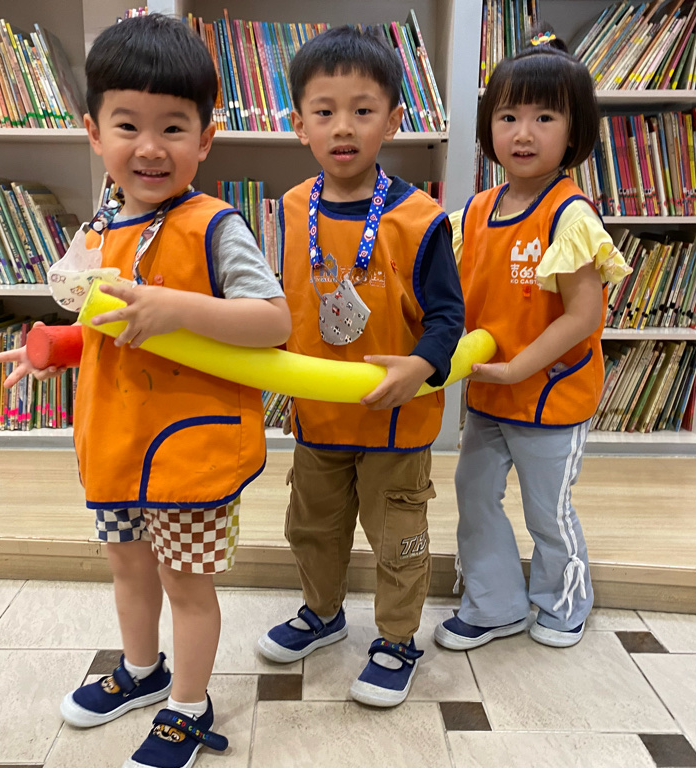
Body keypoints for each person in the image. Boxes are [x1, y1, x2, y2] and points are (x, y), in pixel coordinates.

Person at [0, 15, 290, 768]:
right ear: (94, 132)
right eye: (128, 125)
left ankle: (189, 706)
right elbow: (102, 327)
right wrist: (55, 349)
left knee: (185, 584)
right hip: (116, 444)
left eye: (173, 127)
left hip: (189, 453)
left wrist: (174, 308)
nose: (150, 147)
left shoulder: (215, 227)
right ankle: (141, 670)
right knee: (127, 566)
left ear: (205, 139)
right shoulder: (97, 230)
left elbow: (274, 321)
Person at [256, 26, 465, 708]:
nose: (342, 126)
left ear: (393, 120)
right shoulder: (291, 209)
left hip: (395, 426)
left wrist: (422, 366)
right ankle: (322, 615)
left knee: (398, 539)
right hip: (317, 419)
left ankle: (398, 641)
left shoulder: (421, 220)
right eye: (324, 111)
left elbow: (449, 319)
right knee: (311, 527)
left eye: (362, 110)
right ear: (299, 124)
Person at [434, 29, 631, 653]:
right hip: (490, 396)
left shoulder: (569, 215)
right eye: (508, 116)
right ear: (488, 127)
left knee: (548, 509)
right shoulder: (474, 212)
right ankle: (493, 604)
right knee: (474, 495)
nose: (523, 133)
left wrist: (520, 368)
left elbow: (583, 316)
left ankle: (565, 600)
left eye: (544, 117)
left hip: (550, 398)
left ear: (573, 133)